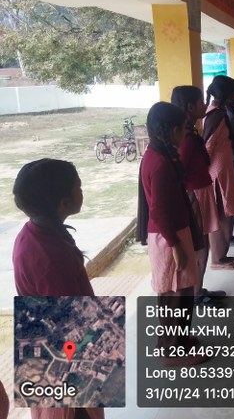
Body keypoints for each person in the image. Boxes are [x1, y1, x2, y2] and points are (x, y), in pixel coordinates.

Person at [13, 158, 105, 418]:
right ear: (64, 203)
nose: (82, 191)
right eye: (79, 187)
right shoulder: (51, 259)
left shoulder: (33, 232)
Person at [138, 102, 206, 366]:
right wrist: (175, 245)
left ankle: (181, 339)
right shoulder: (159, 163)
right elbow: (158, 210)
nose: (187, 133)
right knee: (173, 296)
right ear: (174, 130)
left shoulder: (161, 154)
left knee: (183, 292)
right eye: (184, 129)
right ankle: (170, 351)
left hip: (174, 233)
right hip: (168, 238)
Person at [170, 85, 226, 305]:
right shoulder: (184, 135)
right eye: (201, 101)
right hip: (194, 194)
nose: (205, 104)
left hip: (201, 191)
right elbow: (180, 170)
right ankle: (195, 294)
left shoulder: (190, 130)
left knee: (202, 243)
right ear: (190, 107)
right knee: (199, 246)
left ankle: (198, 289)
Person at [203, 76, 234, 270]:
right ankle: (218, 259)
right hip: (218, 173)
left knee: (226, 212)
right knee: (221, 215)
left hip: (224, 169)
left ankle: (222, 255)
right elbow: (208, 147)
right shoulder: (216, 115)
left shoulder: (218, 112)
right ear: (228, 94)